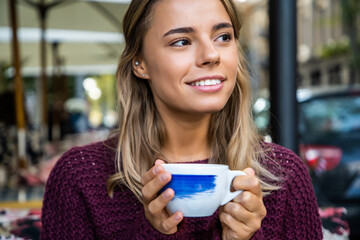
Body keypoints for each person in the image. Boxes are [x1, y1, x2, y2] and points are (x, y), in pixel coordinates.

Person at [40, 0, 323, 239]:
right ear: (140, 63)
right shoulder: (79, 180)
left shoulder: (284, 177)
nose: (211, 55)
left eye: (223, 37)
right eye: (182, 41)